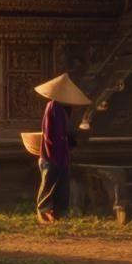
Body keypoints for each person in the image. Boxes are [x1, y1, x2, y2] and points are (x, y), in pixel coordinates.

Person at [34, 74, 85, 222]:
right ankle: (43, 212)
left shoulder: (63, 108)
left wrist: (70, 143)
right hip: (52, 155)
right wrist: (54, 155)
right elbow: (50, 134)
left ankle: (59, 213)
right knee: (49, 185)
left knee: (62, 186)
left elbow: (64, 132)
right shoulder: (53, 106)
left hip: (62, 154)